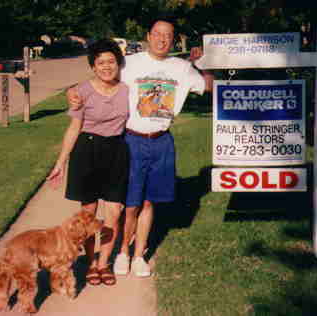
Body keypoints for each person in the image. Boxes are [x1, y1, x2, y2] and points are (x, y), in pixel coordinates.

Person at [68, 17, 214, 277]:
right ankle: (123, 251)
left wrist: (202, 63)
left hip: (162, 141)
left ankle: (138, 256)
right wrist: (74, 92)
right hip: (132, 140)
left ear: (173, 39)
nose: (162, 39)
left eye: (168, 35)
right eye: (157, 34)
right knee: (131, 203)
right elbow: (102, 76)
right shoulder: (129, 64)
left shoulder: (181, 67)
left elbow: (208, 85)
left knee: (149, 202)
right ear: (148, 36)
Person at [47, 39, 129, 286]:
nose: (106, 67)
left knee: (114, 212)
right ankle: (91, 263)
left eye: (111, 62)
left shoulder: (127, 89)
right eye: (100, 62)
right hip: (87, 151)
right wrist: (60, 163)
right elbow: (74, 128)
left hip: (116, 151)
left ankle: (104, 264)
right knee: (88, 215)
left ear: (119, 63)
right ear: (93, 66)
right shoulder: (81, 91)